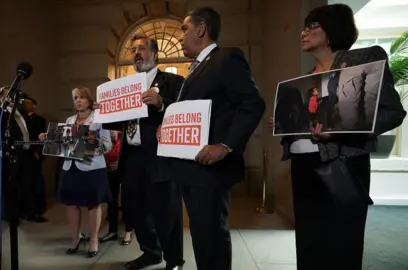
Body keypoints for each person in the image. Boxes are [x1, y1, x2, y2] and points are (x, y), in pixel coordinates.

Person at [267, 4, 406, 270]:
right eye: (304, 27)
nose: (303, 33)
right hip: (302, 167)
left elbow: (392, 112)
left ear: (331, 31)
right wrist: (286, 124)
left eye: (312, 27)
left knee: (341, 243)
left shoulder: (361, 62)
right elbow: (309, 121)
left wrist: (342, 130)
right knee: (309, 243)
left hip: (340, 165)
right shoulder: (305, 80)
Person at [164, 7, 265, 270]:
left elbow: (253, 104)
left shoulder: (226, 59)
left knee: (211, 240)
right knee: (201, 238)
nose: (180, 36)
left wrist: (226, 145)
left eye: (184, 29)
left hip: (211, 171)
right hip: (191, 170)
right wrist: (167, 129)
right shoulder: (196, 70)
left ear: (201, 29)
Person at [98, 34, 185, 270]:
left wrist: (160, 102)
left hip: (161, 157)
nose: (137, 52)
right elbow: (119, 124)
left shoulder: (173, 82)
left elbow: (185, 112)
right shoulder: (125, 86)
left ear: (154, 54)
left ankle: (174, 260)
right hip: (132, 158)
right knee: (136, 210)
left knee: (167, 212)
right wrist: (104, 112)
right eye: (133, 49)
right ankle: (150, 252)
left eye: (142, 48)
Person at [40, 87, 112, 258]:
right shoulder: (69, 119)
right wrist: (49, 138)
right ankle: (76, 237)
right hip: (70, 167)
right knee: (72, 204)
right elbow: (65, 145)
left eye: (81, 97)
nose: (78, 100)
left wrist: (91, 143)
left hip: (92, 167)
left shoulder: (100, 118)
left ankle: (93, 239)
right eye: (75, 98)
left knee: (93, 204)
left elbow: (107, 145)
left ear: (89, 100)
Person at [0, 87, 43, 223]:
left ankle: (30, 213)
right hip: (9, 155)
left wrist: (36, 144)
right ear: (1, 97)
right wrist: (4, 106)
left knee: (28, 184)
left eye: (14, 96)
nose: (12, 98)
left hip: (26, 153)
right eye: (8, 96)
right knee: (11, 187)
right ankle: (13, 216)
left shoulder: (22, 112)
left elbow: (28, 132)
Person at [100, 130, 135, 246]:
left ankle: (128, 231)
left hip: (126, 164)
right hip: (108, 164)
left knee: (128, 198)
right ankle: (112, 230)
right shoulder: (105, 122)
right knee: (111, 199)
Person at [23, 95, 48, 222]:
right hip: (24, 155)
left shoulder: (39, 120)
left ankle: (37, 210)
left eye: (28, 103)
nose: (25, 105)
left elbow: (40, 138)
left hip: (34, 154)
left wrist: (37, 152)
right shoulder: (20, 118)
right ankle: (27, 210)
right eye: (24, 103)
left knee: (36, 182)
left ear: (34, 105)